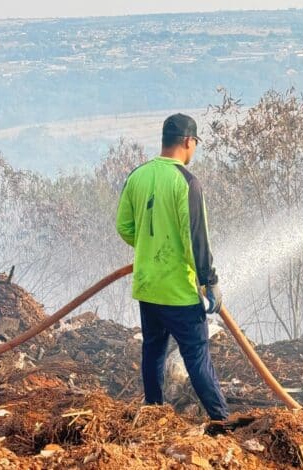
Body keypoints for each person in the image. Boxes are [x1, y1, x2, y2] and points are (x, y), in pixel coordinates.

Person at [116, 113, 229, 420]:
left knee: (153, 349)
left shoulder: (137, 176)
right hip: (179, 290)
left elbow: (124, 227)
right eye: (195, 144)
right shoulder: (187, 182)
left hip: (148, 286)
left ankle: (153, 412)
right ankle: (222, 420)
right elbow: (196, 240)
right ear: (188, 142)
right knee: (196, 355)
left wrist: (151, 250)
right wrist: (210, 281)